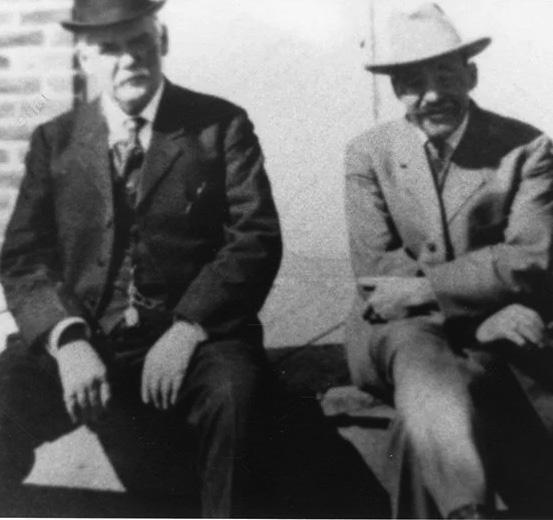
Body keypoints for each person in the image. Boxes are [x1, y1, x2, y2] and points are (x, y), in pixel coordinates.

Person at [0, 0, 282, 516]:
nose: (129, 59)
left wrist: (188, 328)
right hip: (86, 336)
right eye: (109, 48)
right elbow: (23, 258)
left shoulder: (220, 126)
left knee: (235, 398)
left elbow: (254, 238)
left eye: (140, 43)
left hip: (196, 339)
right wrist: (67, 341)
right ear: (84, 58)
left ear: (163, 41)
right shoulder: (55, 141)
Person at [345, 3, 553, 519]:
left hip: (492, 339)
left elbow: (530, 256)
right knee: (418, 348)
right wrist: (478, 316)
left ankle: (465, 511)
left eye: (445, 75)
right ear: (397, 90)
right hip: (395, 333)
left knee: (422, 419)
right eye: (414, 82)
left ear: (471, 75)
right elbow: (378, 268)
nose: (433, 94)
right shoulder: (368, 153)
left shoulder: (526, 148)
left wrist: (433, 291)